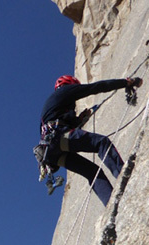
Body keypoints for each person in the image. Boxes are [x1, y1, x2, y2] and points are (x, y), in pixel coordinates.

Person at [35, 74, 142, 205]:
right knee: (102, 143)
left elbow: (58, 123)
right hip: (58, 137)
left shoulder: (52, 106)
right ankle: (124, 175)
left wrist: (78, 120)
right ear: (70, 85)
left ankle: (111, 204)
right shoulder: (65, 91)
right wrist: (125, 83)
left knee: (92, 172)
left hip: (51, 153)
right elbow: (95, 88)